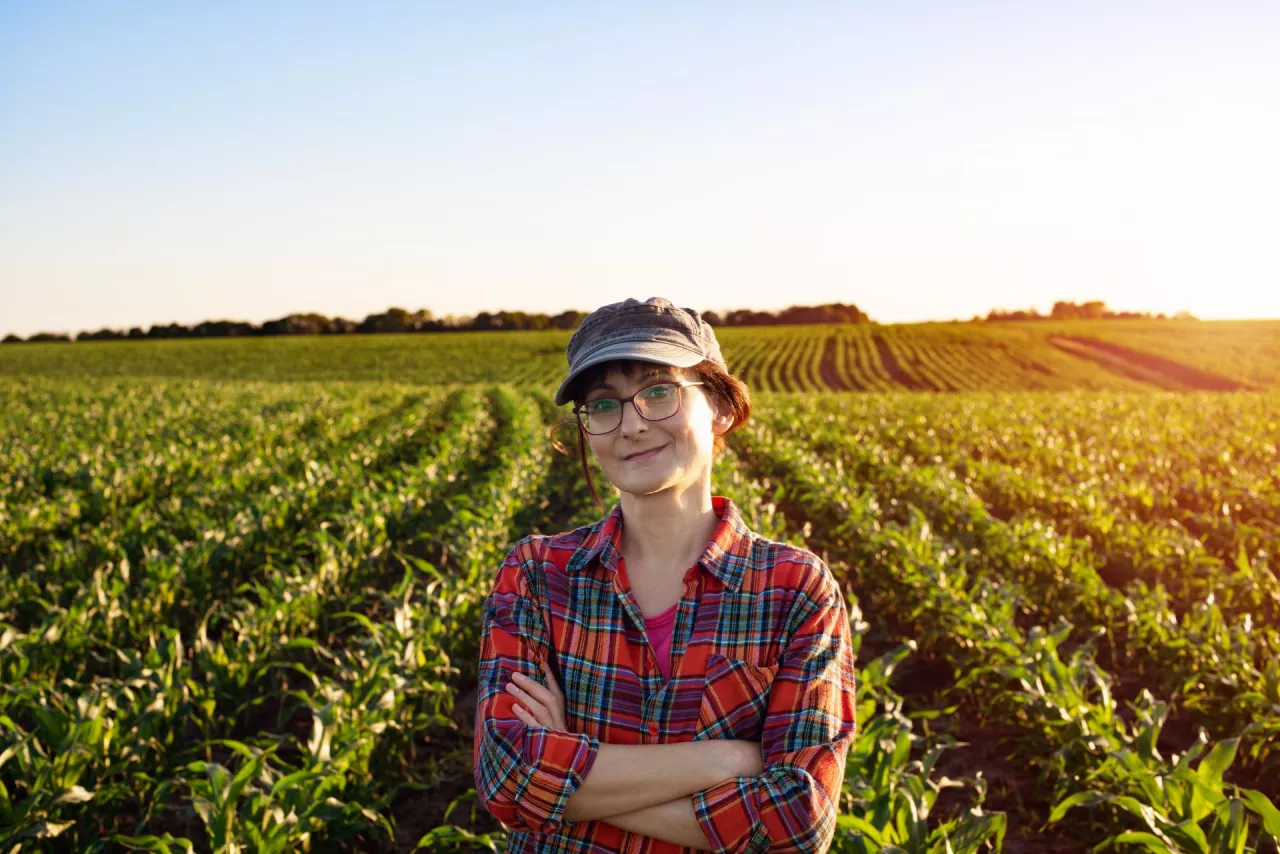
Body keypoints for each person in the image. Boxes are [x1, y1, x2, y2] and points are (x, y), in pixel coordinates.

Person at [473, 297, 858, 853]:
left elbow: (798, 822)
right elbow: (506, 776)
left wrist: (561, 786)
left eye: (658, 392)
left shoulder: (794, 588)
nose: (631, 425)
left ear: (721, 407)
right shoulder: (538, 575)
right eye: (603, 405)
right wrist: (728, 758)